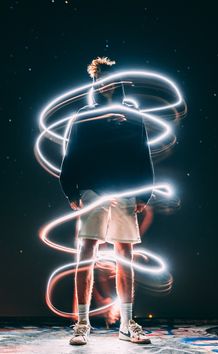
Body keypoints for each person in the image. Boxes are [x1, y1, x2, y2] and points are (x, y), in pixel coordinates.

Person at [59, 56, 154, 345]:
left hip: (125, 190)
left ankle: (126, 324)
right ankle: (82, 324)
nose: (107, 84)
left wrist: (144, 192)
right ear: (95, 83)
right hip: (92, 190)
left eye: (111, 78)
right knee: (86, 254)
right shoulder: (85, 115)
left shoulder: (133, 115)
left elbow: (142, 152)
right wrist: (71, 191)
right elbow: (72, 152)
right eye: (101, 79)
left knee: (125, 256)